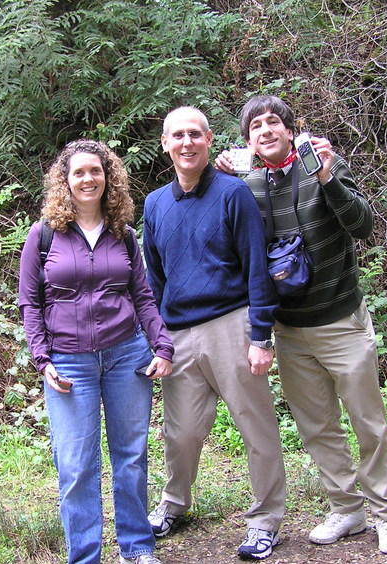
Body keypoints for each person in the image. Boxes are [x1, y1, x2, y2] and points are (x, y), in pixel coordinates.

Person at [215, 95, 387, 556]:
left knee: (368, 423)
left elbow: (363, 225)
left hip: (340, 320)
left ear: (290, 128)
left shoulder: (323, 165)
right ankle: (346, 509)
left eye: (273, 122)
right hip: (289, 330)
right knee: (317, 426)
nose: (266, 130)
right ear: (247, 141)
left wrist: (327, 177)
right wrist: (217, 180)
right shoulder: (247, 186)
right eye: (256, 126)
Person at [18, 139, 173, 564]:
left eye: (96, 171)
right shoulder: (44, 234)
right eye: (79, 172)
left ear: (109, 179)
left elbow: (142, 295)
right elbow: (30, 302)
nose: (88, 179)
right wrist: (43, 359)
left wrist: (161, 344)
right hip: (69, 362)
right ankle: (84, 556)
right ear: (64, 181)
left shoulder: (123, 235)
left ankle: (137, 548)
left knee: (131, 457)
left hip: (127, 355)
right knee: (76, 467)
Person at [142, 106, 286, 561]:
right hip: (179, 335)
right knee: (180, 433)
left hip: (232, 325)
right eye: (177, 136)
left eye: (195, 135)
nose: (186, 143)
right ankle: (173, 505)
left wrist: (260, 336)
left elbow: (256, 265)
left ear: (208, 140)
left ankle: (265, 522)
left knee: (255, 425)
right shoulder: (155, 204)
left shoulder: (233, 194)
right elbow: (155, 280)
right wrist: (160, 337)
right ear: (165, 144)